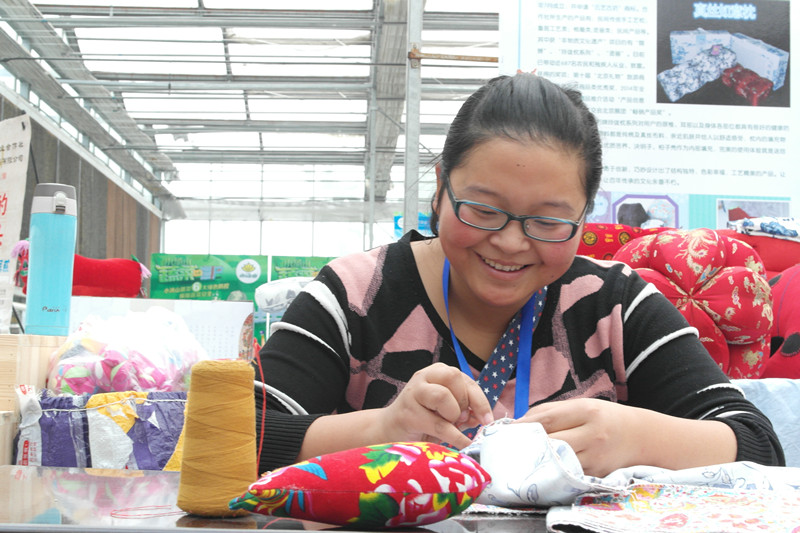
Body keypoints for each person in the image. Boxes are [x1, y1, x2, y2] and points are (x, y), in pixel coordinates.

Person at [254, 73, 784, 477]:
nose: (510, 243)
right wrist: (382, 428)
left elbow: (759, 445)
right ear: (440, 188)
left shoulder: (617, 306)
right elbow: (238, 435)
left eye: (549, 221)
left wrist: (636, 437)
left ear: (584, 216)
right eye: (483, 210)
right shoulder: (354, 295)